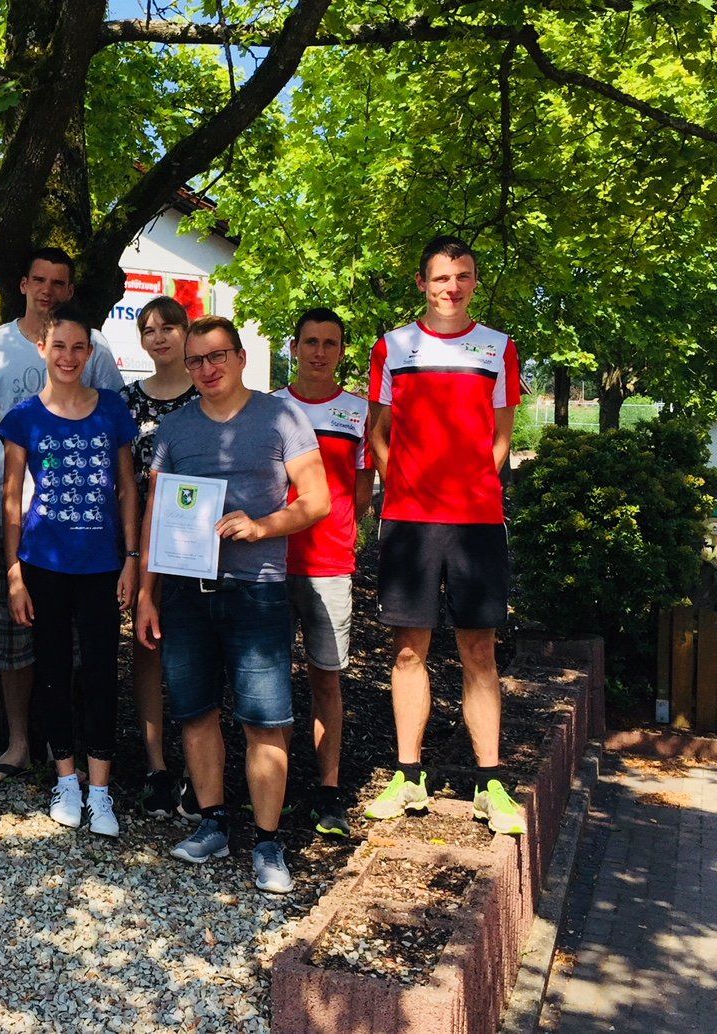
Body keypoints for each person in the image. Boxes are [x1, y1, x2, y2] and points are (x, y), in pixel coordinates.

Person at [135, 316, 328, 893]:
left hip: (257, 589)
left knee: (265, 721)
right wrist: (146, 594)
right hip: (185, 592)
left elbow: (317, 499)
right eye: (196, 360)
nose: (207, 368)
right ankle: (214, 824)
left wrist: (263, 525)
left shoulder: (280, 417)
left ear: (241, 357)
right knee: (195, 713)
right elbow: (155, 515)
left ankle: (268, 842)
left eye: (217, 355)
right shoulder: (176, 429)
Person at [364, 235, 527, 836]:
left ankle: (490, 785)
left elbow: (502, 435)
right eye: (440, 277)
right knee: (409, 650)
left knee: (479, 650)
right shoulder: (392, 346)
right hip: (409, 521)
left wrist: (475, 484)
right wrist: (401, 484)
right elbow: (377, 430)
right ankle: (409, 777)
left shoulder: (499, 348)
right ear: (422, 283)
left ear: (475, 281)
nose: (451, 287)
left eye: (462, 276)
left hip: (476, 521)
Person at [0, 247, 125, 786]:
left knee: (79, 646)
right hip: (12, 510)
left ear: (70, 290)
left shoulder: (94, 347)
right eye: (39, 279)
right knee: (16, 635)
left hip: (83, 522)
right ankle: (18, 743)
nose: (48, 290)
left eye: (59, 282)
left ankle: (81, 753)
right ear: (22, 284)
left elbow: (112, 426)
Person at [0, 305, 139, 837]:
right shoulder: (23, 417)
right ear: (42, 349)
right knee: (53, 671)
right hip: (43, 564)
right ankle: (66, 780)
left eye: (79, 347)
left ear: (91, 353)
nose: (69, 356)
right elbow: (12, 498)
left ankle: (101, 790)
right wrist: (14, 573)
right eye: (59, 346)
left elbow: (127, 489)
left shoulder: (111, 410)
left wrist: (131, 559)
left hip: (102, 565)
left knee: (101, 673)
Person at [272, 307, 374, 839]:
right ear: (294, 347)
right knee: (268, 680)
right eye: (309, 341)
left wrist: (343, 532)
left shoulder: (358, 412)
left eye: (329, 343)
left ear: (341, 351)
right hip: (268, 562)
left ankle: (328, 790)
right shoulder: (269, 407)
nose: (318, 351)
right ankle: (274, 787)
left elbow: (362, 490)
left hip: (330, 564)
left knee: (326, 679)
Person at [119, 296, 198, 818]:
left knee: (194, 653)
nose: (159, 337)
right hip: (144, 545)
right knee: (146, 649)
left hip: (197, 545)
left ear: (186, 331)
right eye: (149, 330)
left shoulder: (208, 391)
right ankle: (156, 767)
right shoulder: (127, 402)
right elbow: (124, 483)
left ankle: (196, 768)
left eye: (169, 327)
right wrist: (131, 554)